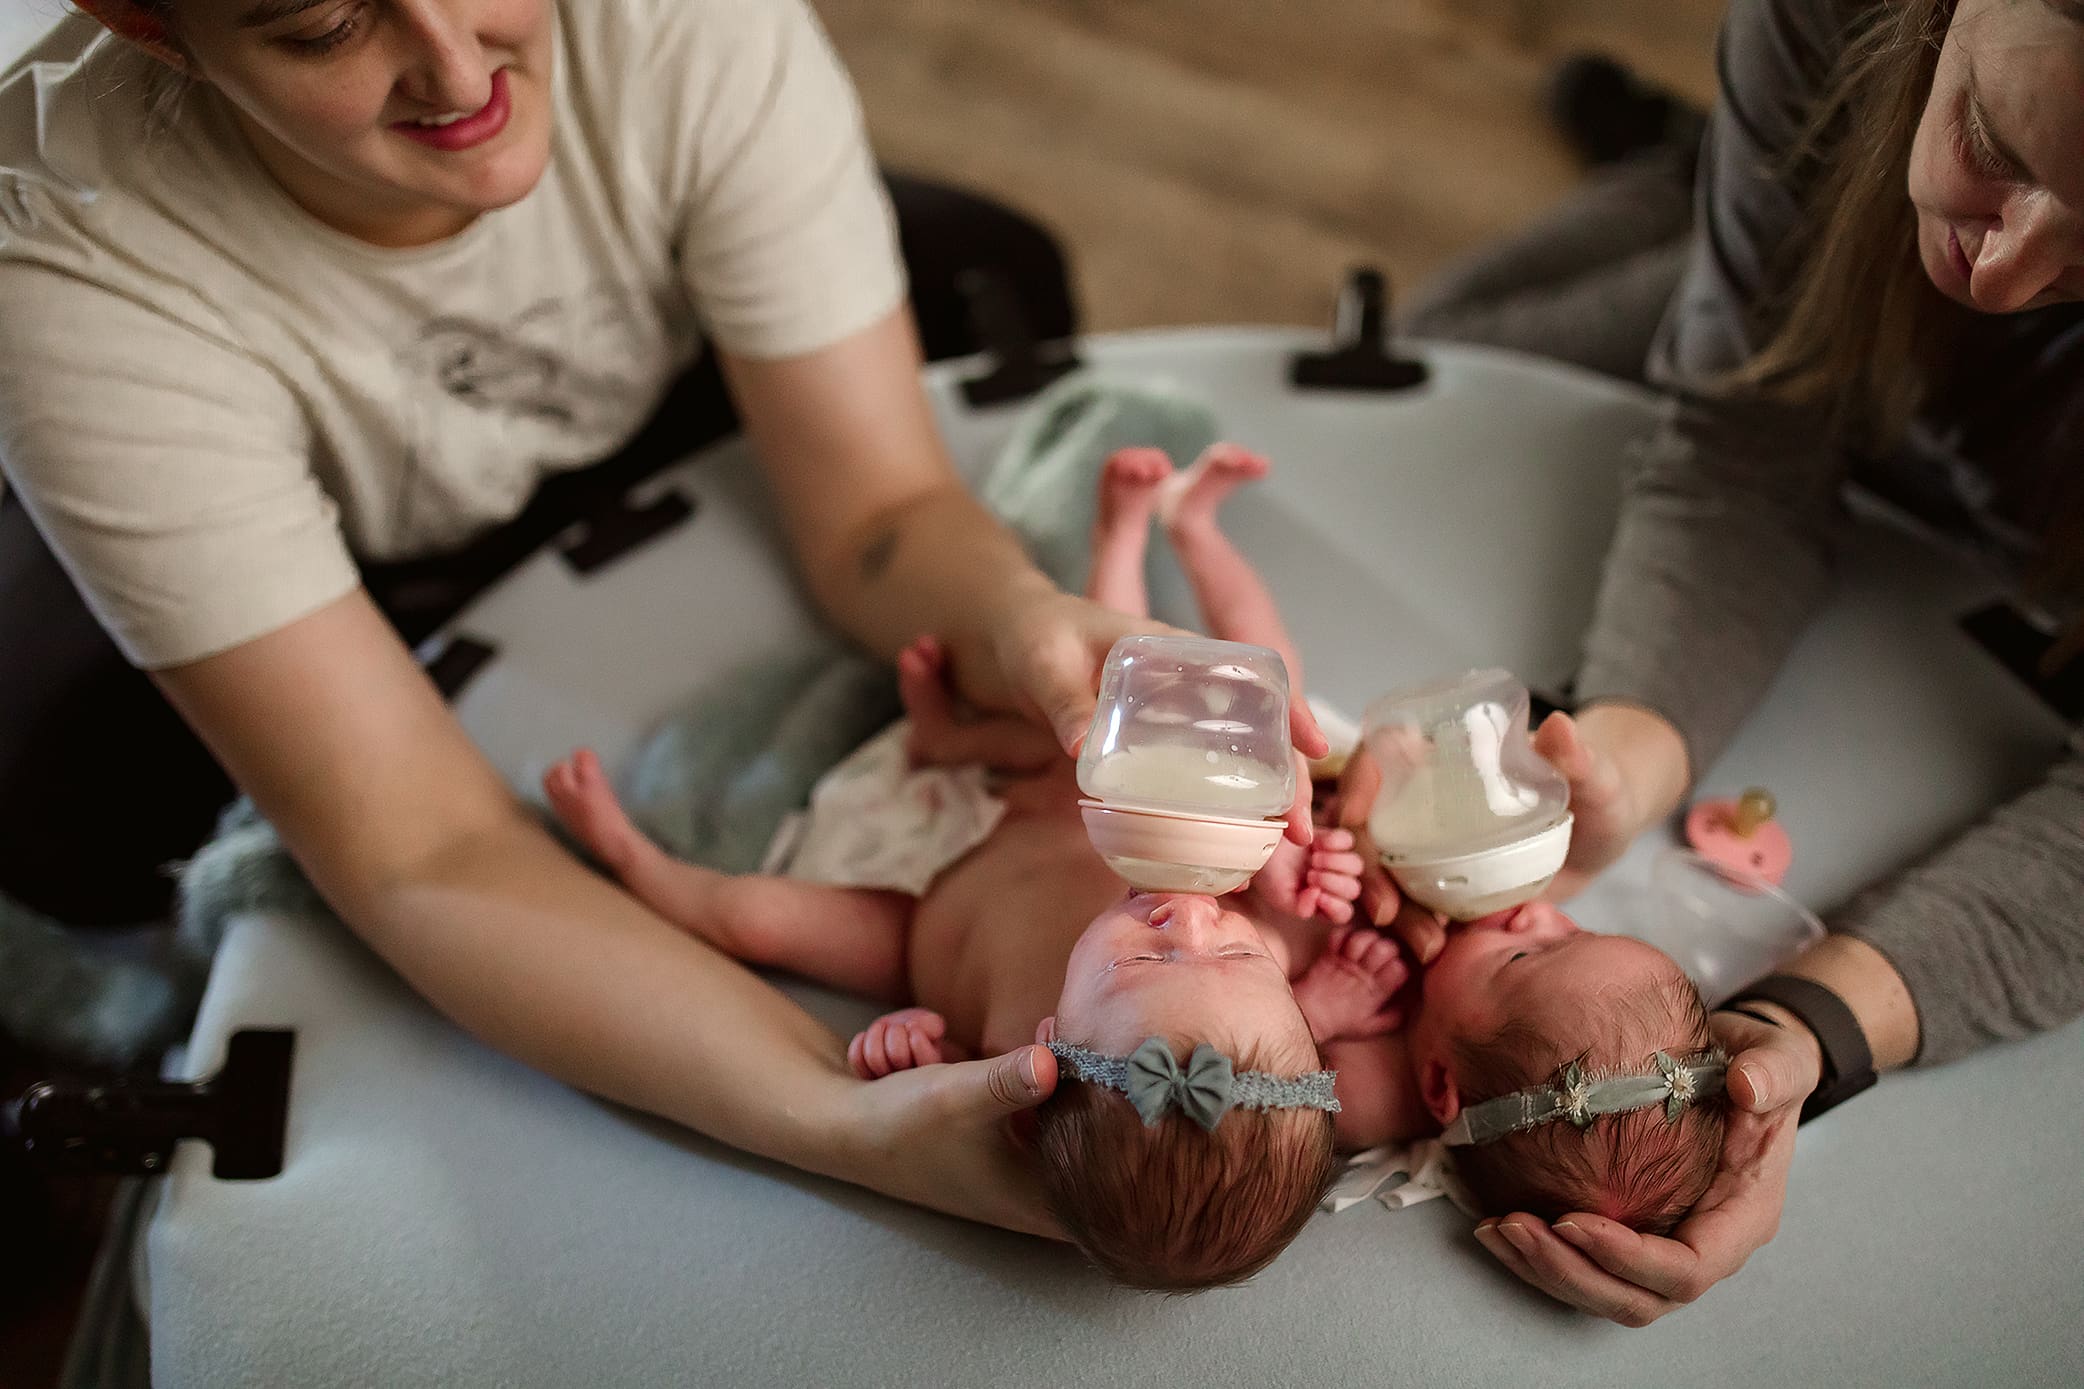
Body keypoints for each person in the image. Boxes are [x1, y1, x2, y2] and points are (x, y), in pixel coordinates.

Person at [0, 0, 1315, 1231]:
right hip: (376, 540)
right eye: (324, 26)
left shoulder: (680, 30)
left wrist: (1020, 611)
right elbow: (423, 848)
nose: (458, 72)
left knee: (994, 267)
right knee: (61, 801)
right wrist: (840, 1124)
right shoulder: (64, 265)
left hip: (683, 387)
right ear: (144, 23)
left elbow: (878, 515)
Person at [1374, 0, 2084, 1325]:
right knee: (1429, 346)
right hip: (1837, 273)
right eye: (1993, 134)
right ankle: (1687, 164)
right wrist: (1634, 748)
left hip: (1971, 466)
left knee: (1445, 340)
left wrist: (1811, 1037)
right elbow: (1747, 445)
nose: (2000, 267)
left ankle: (1687, 170)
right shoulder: (1848, 32)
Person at [543, 444, 1359, 1290]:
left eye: (1146, 958)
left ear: (1049, 1047)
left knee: (756, 920)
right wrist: (1303, 878)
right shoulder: (1264, 969)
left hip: (928, 907)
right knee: (1134, 721)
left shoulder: (1011, 1062)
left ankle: (627, 853)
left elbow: (936, 1089)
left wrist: (908, 1047)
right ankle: (1121, 541)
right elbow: (1302, 938)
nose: (1189, 917)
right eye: (1238, 954)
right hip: (1062, 800)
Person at [1296, 901, 1729, 1238]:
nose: (1536, 914)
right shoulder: (1471, 989)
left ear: (1439, 1086)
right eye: (1577, 932)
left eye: (1519, 957)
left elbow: (1252, 1067)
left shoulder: (1367, 1092)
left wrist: (1315, 1011)